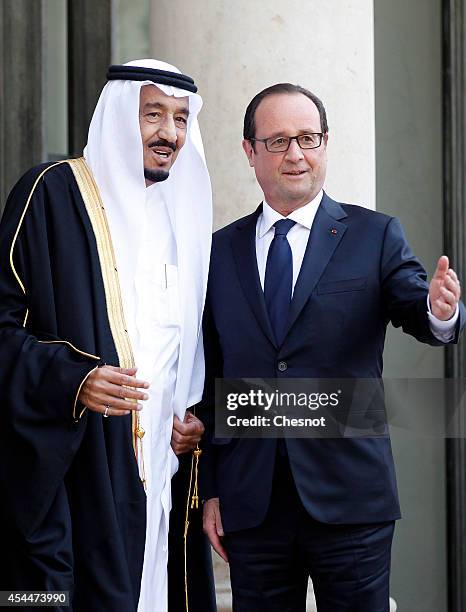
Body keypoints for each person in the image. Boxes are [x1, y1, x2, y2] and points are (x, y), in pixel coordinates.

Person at [201, 83, 464, 612]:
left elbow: (417, 308)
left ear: (326, 144)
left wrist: (440, 311)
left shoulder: (374, 235)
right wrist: (210, 486)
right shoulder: (219, 251)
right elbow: (210, 376)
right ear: (250, 152)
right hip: (253, 504)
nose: (295, 154)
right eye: (277, 141)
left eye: (308, 138)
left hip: (350, 499)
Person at [0, 59, 215, 611]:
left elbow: (190, 351)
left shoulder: (183, 224)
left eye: (181, 119)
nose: (169, 133)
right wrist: (75, 380)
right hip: (77, 475)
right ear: (120, 115)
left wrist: (195, 417)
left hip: (162, 477)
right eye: (153, 114)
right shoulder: (51, 195)